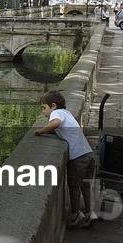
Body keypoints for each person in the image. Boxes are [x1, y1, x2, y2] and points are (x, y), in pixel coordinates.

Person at [35, 90, 97, 228]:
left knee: (74, 186)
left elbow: (56, 123)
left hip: (77, 157)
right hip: (87, 153)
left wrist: (41, 130)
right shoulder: (67, 113)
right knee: (86, 186)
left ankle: (76, 214)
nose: (43, 112)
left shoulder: (56, 114)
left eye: (44, 108)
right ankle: (90, 212)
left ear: (53, 106)